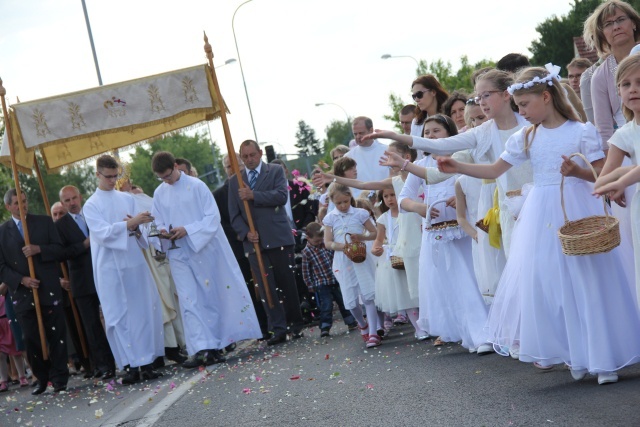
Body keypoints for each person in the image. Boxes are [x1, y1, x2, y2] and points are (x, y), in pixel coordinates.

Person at [438, 65, 640, 384]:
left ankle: (603, 359)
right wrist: (457, 165)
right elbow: (493, 170)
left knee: (590, 280)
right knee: (554, 285)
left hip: (578, 208)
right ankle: (576, 354)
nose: (521, 112)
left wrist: (577, 172)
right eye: (517, 107)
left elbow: (603, 176)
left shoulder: (580, 131)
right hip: (542, 217)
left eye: (525, 105)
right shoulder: (526, 136)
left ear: (546, 97)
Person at [366, 69, 531, 259]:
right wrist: (396, 137)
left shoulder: (528, 125)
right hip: (508, 206)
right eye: (478, 98)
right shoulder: (483, 132)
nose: (482, 102)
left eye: (486, 95)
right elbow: (439, 144)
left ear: (506, 94)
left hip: (535, 199)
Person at [382, 115, 492, 354]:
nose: (431, 137)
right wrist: (420, 208)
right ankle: (472, 333)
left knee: (474, 278)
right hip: (438, 231)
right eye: (427, 133)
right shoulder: (423, 166)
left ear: (450, 134)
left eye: (436, 131)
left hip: (464, 228)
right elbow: (403, 198)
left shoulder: (461, 156)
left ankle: (489, 330)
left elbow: (481, 182)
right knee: (454, 283)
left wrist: (462, 195)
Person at [151, 151, 262, 366]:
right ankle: (201, 347)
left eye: (168, 175)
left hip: (203, 250)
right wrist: (163, 232)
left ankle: (219, 344)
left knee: (210, 296)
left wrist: (189, 230)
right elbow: (157, 222)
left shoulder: (197, 186)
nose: (166, 181)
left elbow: (212, 218)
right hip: (178, 253)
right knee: (188, 299)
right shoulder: (159, 193)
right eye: (161, 178)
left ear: (175, 166)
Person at [83, 155, 164, 384]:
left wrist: (137, 229)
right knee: (118, 316)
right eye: (108, 177)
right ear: (98, 174)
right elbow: (104, 234)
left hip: (133, 262)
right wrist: (130, 224)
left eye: (115, 176)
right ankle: (130, 365)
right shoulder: (91, 205)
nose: (112, 180)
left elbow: (140, 233)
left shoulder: (127, 199)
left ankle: (146, 363)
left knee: (142, 311)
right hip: (108, 267)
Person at [228, 140, 305, 345]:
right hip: (255, 243)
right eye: (245, 157)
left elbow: (280, 196)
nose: (249, 160)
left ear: (260, 153)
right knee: (265, 286)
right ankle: (277, 328)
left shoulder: (275, 171)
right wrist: (245, 233)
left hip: (278, 237)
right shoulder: (235, 181)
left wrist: (253, 195)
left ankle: (295, 323)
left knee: (287, 282)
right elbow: (233, 215)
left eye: (252, 155)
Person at [0, 189, 69, 395]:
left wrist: (39, 249)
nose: (22, 206)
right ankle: (41, 377)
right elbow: (1, 266)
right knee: (31, 338)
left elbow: (60, 250)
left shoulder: (44, 222)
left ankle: (60, 377)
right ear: (8, 207)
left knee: (56, 334)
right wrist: (21, 280)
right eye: (16, 203)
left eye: (24, 201)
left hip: (48, 287)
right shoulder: (2, 232)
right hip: (23, 294)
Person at [116, 176, 188, 366]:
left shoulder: (143, 198)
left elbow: (157, 222)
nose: (125, 184)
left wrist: (157, 237)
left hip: (155, 254)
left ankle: (178, 344)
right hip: (137, 260)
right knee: (152, 305)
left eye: (124, 179)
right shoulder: (117, 205)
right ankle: (161, 350)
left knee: (168, 298)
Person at [594, 53, 640, 307]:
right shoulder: (624, 134)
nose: (633, 89)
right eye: (626, 84)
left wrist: (626, 177)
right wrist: (623, 175)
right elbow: (602, 182)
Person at [56, 185, 116, 380]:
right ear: (63, 203)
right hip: (81, 282)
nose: (72, 203)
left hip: (104, 274)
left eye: (74, 198)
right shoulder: (60, 226)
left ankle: (123, 358)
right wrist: (84, 244)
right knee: (91, 326)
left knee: (114, 318)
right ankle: (105, 364)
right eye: (67, 200)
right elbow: (62, 253)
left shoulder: (93, 214)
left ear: (80, 197)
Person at [213, 153, 269, 338]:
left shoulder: (252, 186)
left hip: (261, 241)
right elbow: (221, 222)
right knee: (249, 288)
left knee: (267, 283)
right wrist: (242, 233)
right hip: (239, 248)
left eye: (236, 165)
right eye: (229, 167)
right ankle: (260, 325)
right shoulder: (219, 195)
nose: (233, 170)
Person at [322, 184, 379, 348]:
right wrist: (342, 247)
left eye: (346, 202)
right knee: (351, 301)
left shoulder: (360, 214)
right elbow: (327, 242)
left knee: (369, 295)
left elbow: (374, 232)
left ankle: (374, 333)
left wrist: (361, 237)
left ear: (350, 198)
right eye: (339, 203)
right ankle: (362, 324)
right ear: (333, 201)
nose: (343, 206)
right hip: (343, 260)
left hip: (361, 257)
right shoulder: (330, 218)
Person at [370, 187, 424, 340]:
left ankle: (428, 322)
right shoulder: (383, 219)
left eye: (393, 194)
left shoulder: (410, 213)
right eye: (386, 196)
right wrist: (376, 248)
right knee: (405, 294)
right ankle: (419, 328)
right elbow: (379, 239)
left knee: (419, 290)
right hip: (396, 259)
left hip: (413, 253)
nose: (389, 199)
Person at [301, 222, 355, 337]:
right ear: (308, 238)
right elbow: (306, 270)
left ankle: (350, 321)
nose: (319, 243)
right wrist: (309, 285)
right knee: (326, 305)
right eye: (316, 241)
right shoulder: (307, 252)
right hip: (322, 282)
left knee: (343, 301)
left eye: (321, 240)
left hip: (335, 278)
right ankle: (325, 326)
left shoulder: (326, 245)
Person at [345, 116, 390, 184]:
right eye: (355, 134)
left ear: (371, 130)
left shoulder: (388, 151)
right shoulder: (348, 157)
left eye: (361, 133)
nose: (358, 137)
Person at [0, 283, 28, 392]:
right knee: (1, 353)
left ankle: (22, 376)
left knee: (16, 349)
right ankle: (3, 380)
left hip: (6, 316)